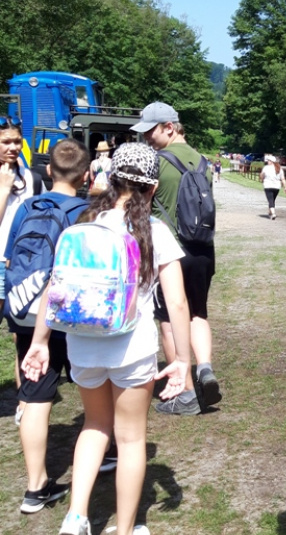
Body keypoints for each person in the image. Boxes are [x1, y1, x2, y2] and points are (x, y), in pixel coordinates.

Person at [21, 142, 193, 535]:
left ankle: (75, 517)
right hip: (131, 348)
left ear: (110, 178)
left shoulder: (83, 222)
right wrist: (182, 360)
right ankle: (126, 528)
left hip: (82, 345)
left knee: (94, 426)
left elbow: (54, 286)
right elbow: (177, 302)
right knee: (130, 440)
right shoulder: (154, 231)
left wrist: (40, 342)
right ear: (152, 188)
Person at [7, 139, 89, 514]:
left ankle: (35, 487)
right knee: (94, 387)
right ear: (86, 176)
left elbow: (10, 259)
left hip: (26, 314)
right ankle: (105, 452)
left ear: (49, 171)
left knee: (35, 397)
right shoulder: (86, 213)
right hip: (70, 318)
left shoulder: (28, 207)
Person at [131, 101, 222, 416]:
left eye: (150, 131)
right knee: (198, 312)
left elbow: (142, 206)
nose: (147, 138)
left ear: (169, 127)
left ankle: (184, 393)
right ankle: (204, 368)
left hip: (170, 251)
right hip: (203, 249)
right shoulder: (203, 161)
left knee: (169, 320)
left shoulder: (156, 162)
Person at [0, 116, 37, 425]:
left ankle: (24, 400)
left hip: (20, 265)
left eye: (16, 141)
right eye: (5, 142)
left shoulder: (30, 177)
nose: (12, 147)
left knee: (21, 336)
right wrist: (3, 189)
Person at [260, 154, 286, 220]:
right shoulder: (279, 169)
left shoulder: (266, 168)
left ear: (271, 161)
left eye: (268, 160)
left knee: (270, 200)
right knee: (272, 200)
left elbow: (262, 176)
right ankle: (270, 213)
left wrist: (262, 178)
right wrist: (285, 187)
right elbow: (283, 179)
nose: (267, 161)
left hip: (268, 186)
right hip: (277, 187)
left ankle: (273, 213)